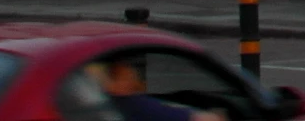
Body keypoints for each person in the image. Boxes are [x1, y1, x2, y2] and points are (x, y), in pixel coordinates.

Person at [85, 55, 222, 121]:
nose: (133, 73)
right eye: (126, 69)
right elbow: (191, 117)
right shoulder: (130, 103)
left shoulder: (90, 104)